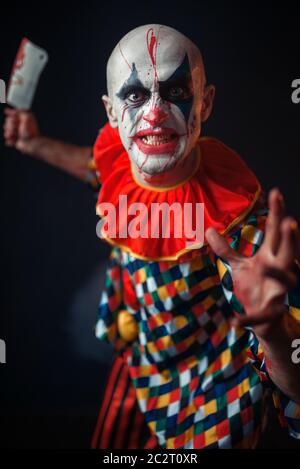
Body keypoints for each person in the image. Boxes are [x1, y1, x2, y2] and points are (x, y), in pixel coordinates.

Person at [4, 24, 300, 450]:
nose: (156, 114)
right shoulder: (121, 161)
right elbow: (98, 170)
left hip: (215, 385)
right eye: (135, 95)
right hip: (143, 363)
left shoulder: (237, 227)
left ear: (206, 101)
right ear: (110, 112)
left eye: (177, 92)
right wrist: (35, 145)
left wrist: (273, 327)